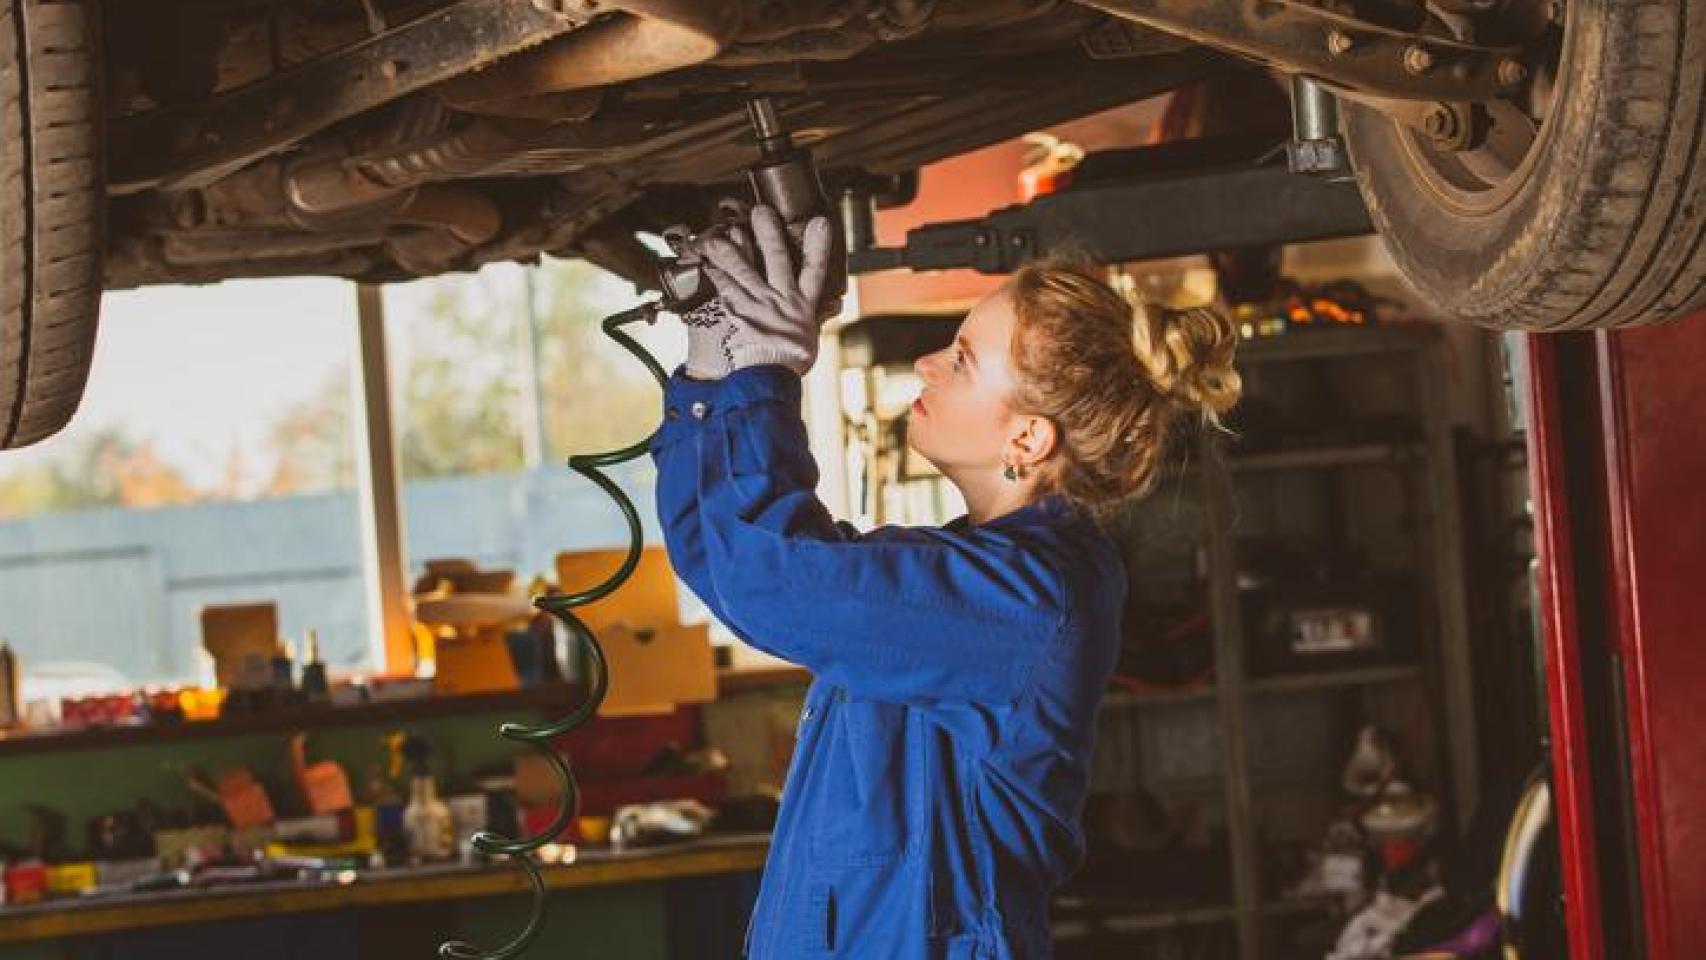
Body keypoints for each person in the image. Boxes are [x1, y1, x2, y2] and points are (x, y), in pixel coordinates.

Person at [651, 202, 1241, 958]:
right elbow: (727, 563)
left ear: (1027, 437)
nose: (927, 363)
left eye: (961, 359)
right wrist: (714, 368)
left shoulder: (1023, 602)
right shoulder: (975, 573)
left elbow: (767, 580)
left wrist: (759, 377)